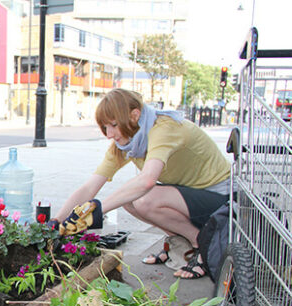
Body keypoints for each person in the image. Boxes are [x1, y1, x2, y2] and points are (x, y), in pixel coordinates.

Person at [53, 88, 231, 279]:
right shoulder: (127, 144)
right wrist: (56, 222)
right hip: (189, 195)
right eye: (105, 127)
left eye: (113, 125)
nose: (109, 134)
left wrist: (98, 209)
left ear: (134, 115)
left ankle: (200, 244)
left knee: (143, 199)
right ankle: (180, 243)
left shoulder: (163, 128)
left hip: (220, 198)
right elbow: (90, 187)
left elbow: (146, 181)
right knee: (129, 199)